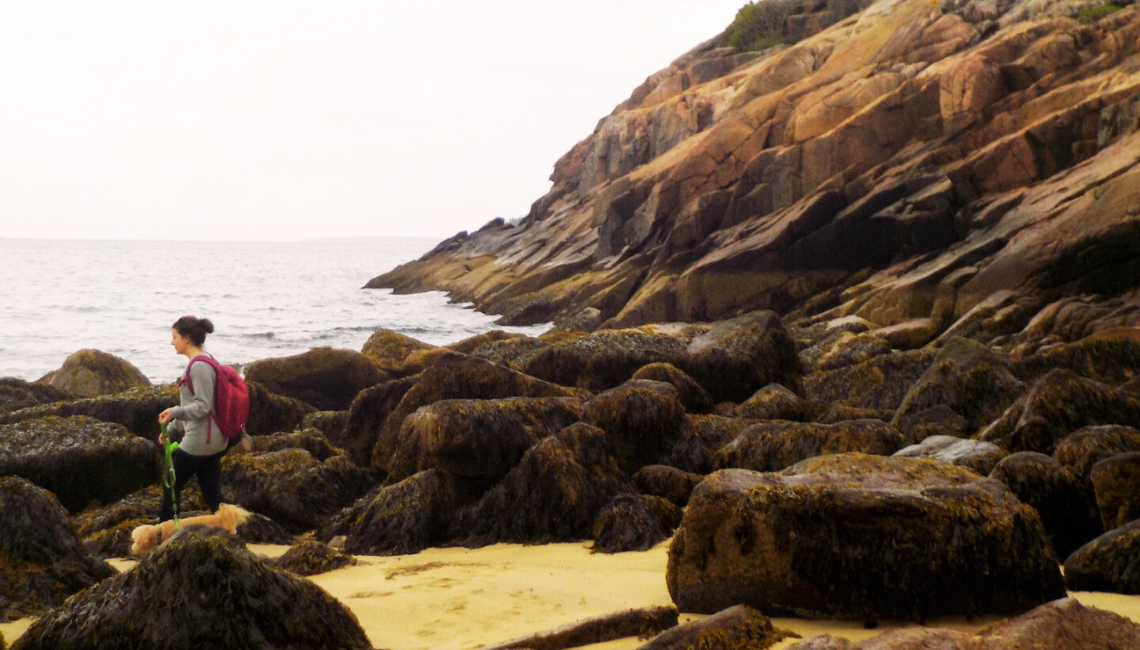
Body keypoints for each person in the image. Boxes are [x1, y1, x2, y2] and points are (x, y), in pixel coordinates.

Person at [157, 315, 227, 522]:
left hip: (201, 440)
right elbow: (192, 407)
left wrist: (175, 411)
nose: (172, 342)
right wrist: (170, 429)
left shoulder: (199, 366)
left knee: (170, 485)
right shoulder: (204, 361)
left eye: (175, 337)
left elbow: (203, 406)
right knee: (211, 492)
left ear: (186, 338)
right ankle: (231, 532)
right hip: (212, 440)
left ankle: (164, 537)